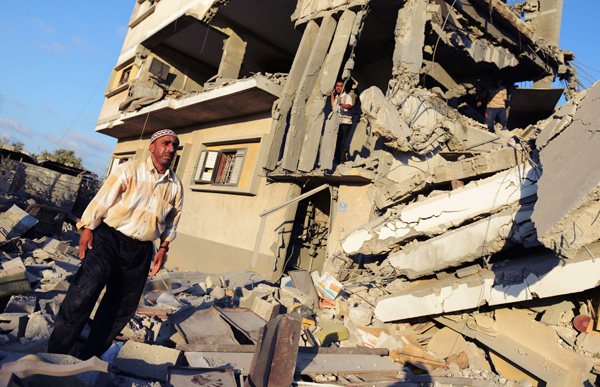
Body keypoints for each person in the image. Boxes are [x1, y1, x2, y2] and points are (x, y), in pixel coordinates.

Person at [47, 129, 184, 360]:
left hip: (140, 251)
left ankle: (88, 358)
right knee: (84, 291)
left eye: (174, 146)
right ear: (152, 147)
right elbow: (102, 199)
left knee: (121, 308)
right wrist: (88, 227)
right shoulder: (129, 169)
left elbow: (172, 221)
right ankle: (56, 354)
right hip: (109, 239)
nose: (170, 149)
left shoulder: (175, 186)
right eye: (166, 143)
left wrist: (163, 248)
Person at [331, 80, 353, 162]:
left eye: (340, 86)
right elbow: (333, 106)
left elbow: (349, 106)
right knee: (337, 142)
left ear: (344, 88)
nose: (338, 87)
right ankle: (337, 160)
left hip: (346, 123)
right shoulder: (337, 97)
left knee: (341, 142)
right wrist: (332, 96)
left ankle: (342, 161)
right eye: (337, 86)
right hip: (339, 122)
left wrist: (341, 104)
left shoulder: (347, 96)